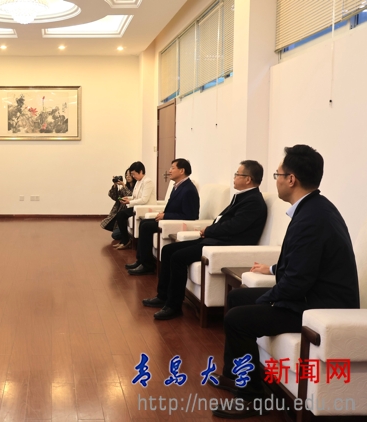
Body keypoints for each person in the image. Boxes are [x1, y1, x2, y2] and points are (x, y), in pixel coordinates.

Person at [210, 145, 360, 419]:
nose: (276, 180)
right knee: (236, 297)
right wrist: (272, 270)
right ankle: (234, 375)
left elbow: (297, 282)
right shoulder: (313, 208)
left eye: (278, 174)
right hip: (310, 293)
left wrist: (265, 299)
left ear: (291, 179)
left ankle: (251, 397)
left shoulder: (312, 218)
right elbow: (304, 262)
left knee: (237, 319)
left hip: (319, 306)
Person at [142, 160, 268, 320]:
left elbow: (233, 227)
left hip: (224, 245)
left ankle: (173, 306)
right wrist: (209, 230)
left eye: (237, 174)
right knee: (168, 250)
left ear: (248, 179)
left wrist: (209, 230)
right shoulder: (243, 197)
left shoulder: (253, 202)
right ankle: (163, 296)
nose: (234, 177)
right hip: (215, 239)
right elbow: (224, 221)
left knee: (178, 257)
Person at [126, 158, 200, 275]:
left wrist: (166, 215)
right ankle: (141, 260)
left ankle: (147, 265)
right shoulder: (178, 186)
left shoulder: (188, 189)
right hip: (169, 219)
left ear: (182, 171)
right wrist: (164, 214)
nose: (169, 171)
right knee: (144, 223)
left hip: (175, 222)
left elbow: (190, 215)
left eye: (172, 168)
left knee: (146, 226)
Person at [114, 161, 157, 250]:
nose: (133, 176)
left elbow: (144, 200)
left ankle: (125, 241)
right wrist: (128, 198)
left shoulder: (147, 182)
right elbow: (135, 197)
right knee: (120, 214)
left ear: (141, 172)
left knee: (121, 215)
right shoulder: (138, 181)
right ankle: (124, 240)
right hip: (138, 206)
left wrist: (129, 202)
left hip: (145, 207)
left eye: (134, 174)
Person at [100, 168, 135, 242]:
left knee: (115, 235)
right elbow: (114, 197)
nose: (127, 177)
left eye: (129, 175)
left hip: (128, 212)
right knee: (114, 233)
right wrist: (115, 185)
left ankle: (128, 236)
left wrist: (123, 185)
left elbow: (130, 196)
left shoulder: (136, 187)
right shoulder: (125, 187)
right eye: (126, 175)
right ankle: (124, 232)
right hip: (120, 212)